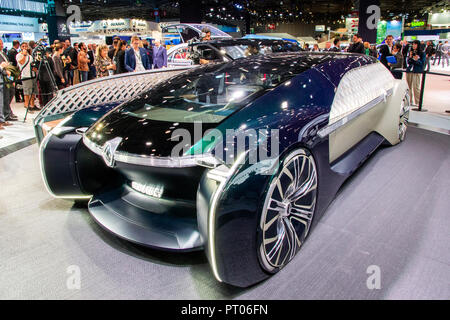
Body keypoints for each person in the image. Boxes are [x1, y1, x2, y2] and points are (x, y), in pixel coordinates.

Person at [0, 39, 18, 128]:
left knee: (10, 94)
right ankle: (4, 117)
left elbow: (7, 65)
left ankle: (7, 114)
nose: (2, 45)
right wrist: (3, 68)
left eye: (2, 43)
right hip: (3, 77)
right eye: (0, 44)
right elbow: (2, 67)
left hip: (8, 78)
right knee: (3, 99)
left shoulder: (3, 53)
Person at [17, 42, 39, 111]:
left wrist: (35, 68)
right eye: (23, 46)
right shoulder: (19, 55)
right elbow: (21, 62)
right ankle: (26, 105)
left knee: (33, 91)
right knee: (27, 92)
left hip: (32, 75)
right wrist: (24, 55)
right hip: (25, 76)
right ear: (20, 47)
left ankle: (32, 105)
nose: (24, 48)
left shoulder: (30, 56)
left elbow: (32, 64)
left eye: (26, 46)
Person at [405, 40, 426, 106]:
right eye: (413, 44)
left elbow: (422, 63)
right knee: (409, 87)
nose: (414, 45)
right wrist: (411, 57)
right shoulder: (411, 52)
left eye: (415, 44)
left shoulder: (422, 53)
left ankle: (418, 102)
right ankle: (409, 101)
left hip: (417, 71)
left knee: (416, 86)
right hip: (409, 70)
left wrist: (416, 60)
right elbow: (408, 61)